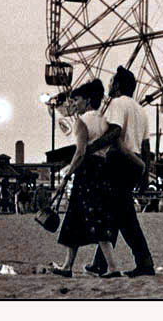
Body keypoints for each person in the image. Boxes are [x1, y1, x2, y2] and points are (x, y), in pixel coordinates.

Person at [85, 66, 156, 277]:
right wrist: (144, 178)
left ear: (117, 86)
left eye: (111, 82)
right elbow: (146, 148)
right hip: (135, 165)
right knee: (117, 213)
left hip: (118, 162)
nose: (108, 85)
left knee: (122, 216)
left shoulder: (117, 104)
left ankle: (144, 262)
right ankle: (102, 262)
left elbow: (115, 131)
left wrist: (92, 147)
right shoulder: (140, 110)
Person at [51, 79, 123, 279]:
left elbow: (81, 151)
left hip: (87, 173)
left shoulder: (81, 122)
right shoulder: (104, 120)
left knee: (81, 216)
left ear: (88, 100)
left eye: (77, 99)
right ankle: (68, 265)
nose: (74, 103)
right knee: (88, 217)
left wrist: (68, 172)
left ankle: (112, 267)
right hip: (103, 170)